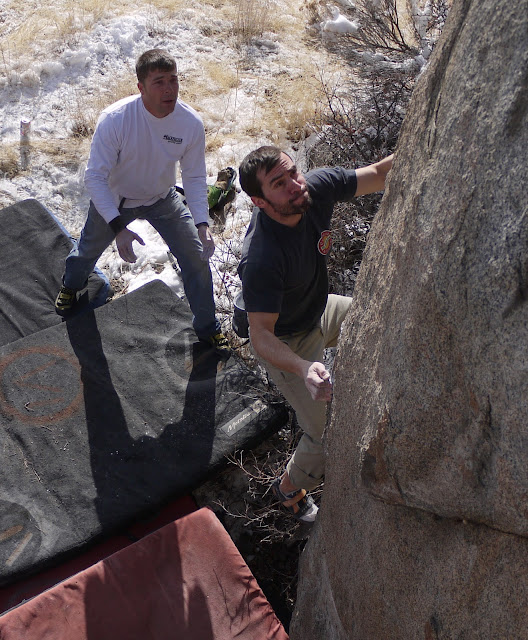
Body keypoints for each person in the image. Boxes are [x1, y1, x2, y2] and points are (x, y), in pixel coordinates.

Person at [237, 145, 393, 522]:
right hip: (285, 339)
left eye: (293, 172)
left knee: (380, 317)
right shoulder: (261, 257)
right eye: (279, 183)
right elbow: (261, 336)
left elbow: (378, 174)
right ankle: (289, 489)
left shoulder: (313, 188)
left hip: (318, 308)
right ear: (259, 202)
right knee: (325, 435)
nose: (294, 185)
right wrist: (304, 367)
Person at [55, 49, 229, 355]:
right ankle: (71, 285)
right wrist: (117, 228)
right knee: (87, 251)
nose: (169, 89)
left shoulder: (189, 123)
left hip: (162, 197)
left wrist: (202, 224)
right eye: (159, 82)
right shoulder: (116, 119)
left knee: (196, 257)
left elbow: (194, 177)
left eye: (173, 80)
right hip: (116, 199)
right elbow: (94, 177)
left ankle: (207, 327)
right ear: (141, 87)